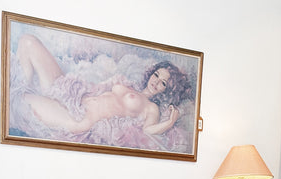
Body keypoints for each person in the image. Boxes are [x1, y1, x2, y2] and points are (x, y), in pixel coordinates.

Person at [16, 34, 191, 136]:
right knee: (28, 41)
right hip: (70, 95)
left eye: (163, 83)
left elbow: (148, 130)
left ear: (167, 90)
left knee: (18, 100)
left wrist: (169, 123)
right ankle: (28, 83)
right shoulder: (130, 85)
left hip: (77, 117)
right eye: (156, 75)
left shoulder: (151, 108)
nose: (156, 81)